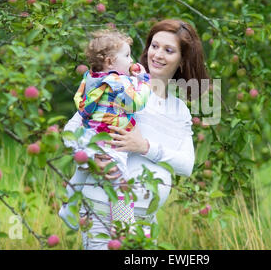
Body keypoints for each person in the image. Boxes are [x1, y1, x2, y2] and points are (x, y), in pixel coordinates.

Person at [62, 19, 209, 249]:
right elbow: (71, 132)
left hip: (145, 221)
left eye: (168, 50)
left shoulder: (179, 109)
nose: (157, 54)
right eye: (154, 46)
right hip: (103, 211)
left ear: (182, 60)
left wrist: (145, 147)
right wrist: (91, 158)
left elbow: (186, 165)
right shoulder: (121, 87)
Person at [59, 29, 151, 231]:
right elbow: (136, 102)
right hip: (108, 141)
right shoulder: (117, 82)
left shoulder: (91, 78)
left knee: (82, 172)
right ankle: (123, 225)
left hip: (90, 137)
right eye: (127, 56)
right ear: (110, 62)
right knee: (120, 183)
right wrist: (144, 81)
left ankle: (69, 206)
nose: (131, 60)